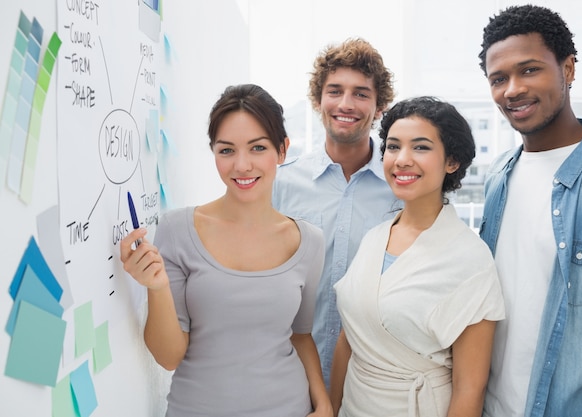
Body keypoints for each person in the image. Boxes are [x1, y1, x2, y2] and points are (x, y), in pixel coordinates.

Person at [120, 84, 332, 417]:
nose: (242, 165)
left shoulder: (309, 241)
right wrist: (156, 287)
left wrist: (323, 403)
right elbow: (168, 356)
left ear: (282, 150)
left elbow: (301, 336)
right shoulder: (177, 229)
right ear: (214, 152)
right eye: (227, 150)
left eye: (258, 148)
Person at [478, 5, 582, 417]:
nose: (511, 89)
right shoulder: (498, 176)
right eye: (498, 79)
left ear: (568, 68)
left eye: (528, 70)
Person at [330, 96, 505, 417]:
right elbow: (349, 338)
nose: (402, 159)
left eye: (421, 147)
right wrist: (331, 408)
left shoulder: (471, 260)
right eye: (394, 147)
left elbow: (470, 388)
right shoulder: (374, 238)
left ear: (451, 161)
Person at [272, 37, 401, 387]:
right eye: (335, 91)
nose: (346, 104)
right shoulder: (280, 184)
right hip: (289, 381)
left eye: (361, 93)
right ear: (317, 101)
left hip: (370, 385)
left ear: (379, 107)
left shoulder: (403, 190)